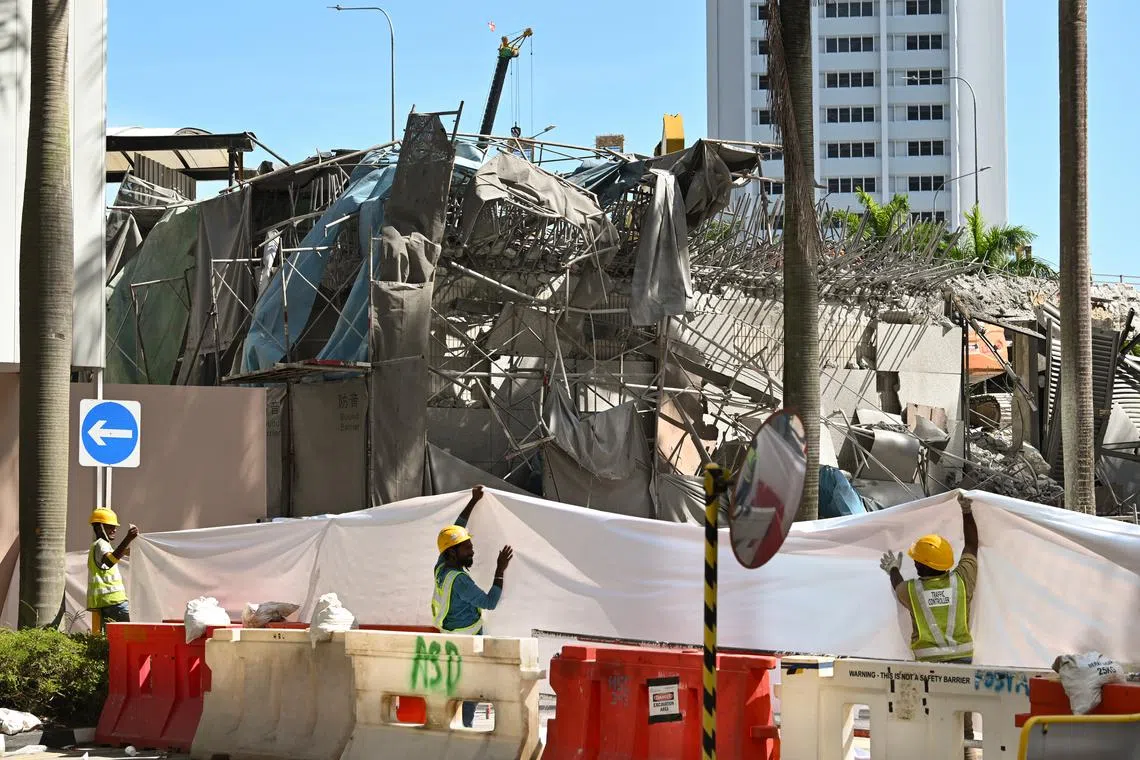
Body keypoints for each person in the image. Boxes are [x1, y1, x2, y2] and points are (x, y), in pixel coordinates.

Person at [881, 494, 979, 747]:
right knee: (962, 721)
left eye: (916, 561)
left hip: (928, 666)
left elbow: (898, 585)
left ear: (922, 567)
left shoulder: (913, 591)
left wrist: (893, 568)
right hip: (962, 662)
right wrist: (967, 511)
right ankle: (966, 752)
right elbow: (971, 546)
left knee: (933, 720)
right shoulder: (962, 581)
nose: (914, 563)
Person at [431, 486, 514, 728]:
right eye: (466, 547)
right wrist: (499, 569)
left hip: (450, 633)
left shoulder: (441, 564)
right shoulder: (460, 581)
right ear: (453, 553)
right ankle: (466, 726)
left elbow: (456, 528)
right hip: (467, 638)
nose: (472, 550)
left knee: (460, 682)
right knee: (473, 683)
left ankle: (458, 724)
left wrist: (473, 501)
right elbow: (490, 602)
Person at [87, 508, 139, 635]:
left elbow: (111, 557)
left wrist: (126, 551)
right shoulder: (102, 544)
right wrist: (128, 538)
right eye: (110, 526)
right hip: (114, 602)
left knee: (112, 637)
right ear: (99, 528)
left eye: (115, 527)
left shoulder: (97, 545)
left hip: (105, 603)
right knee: (135, 631)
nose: (114, 530)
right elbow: (109, 561)